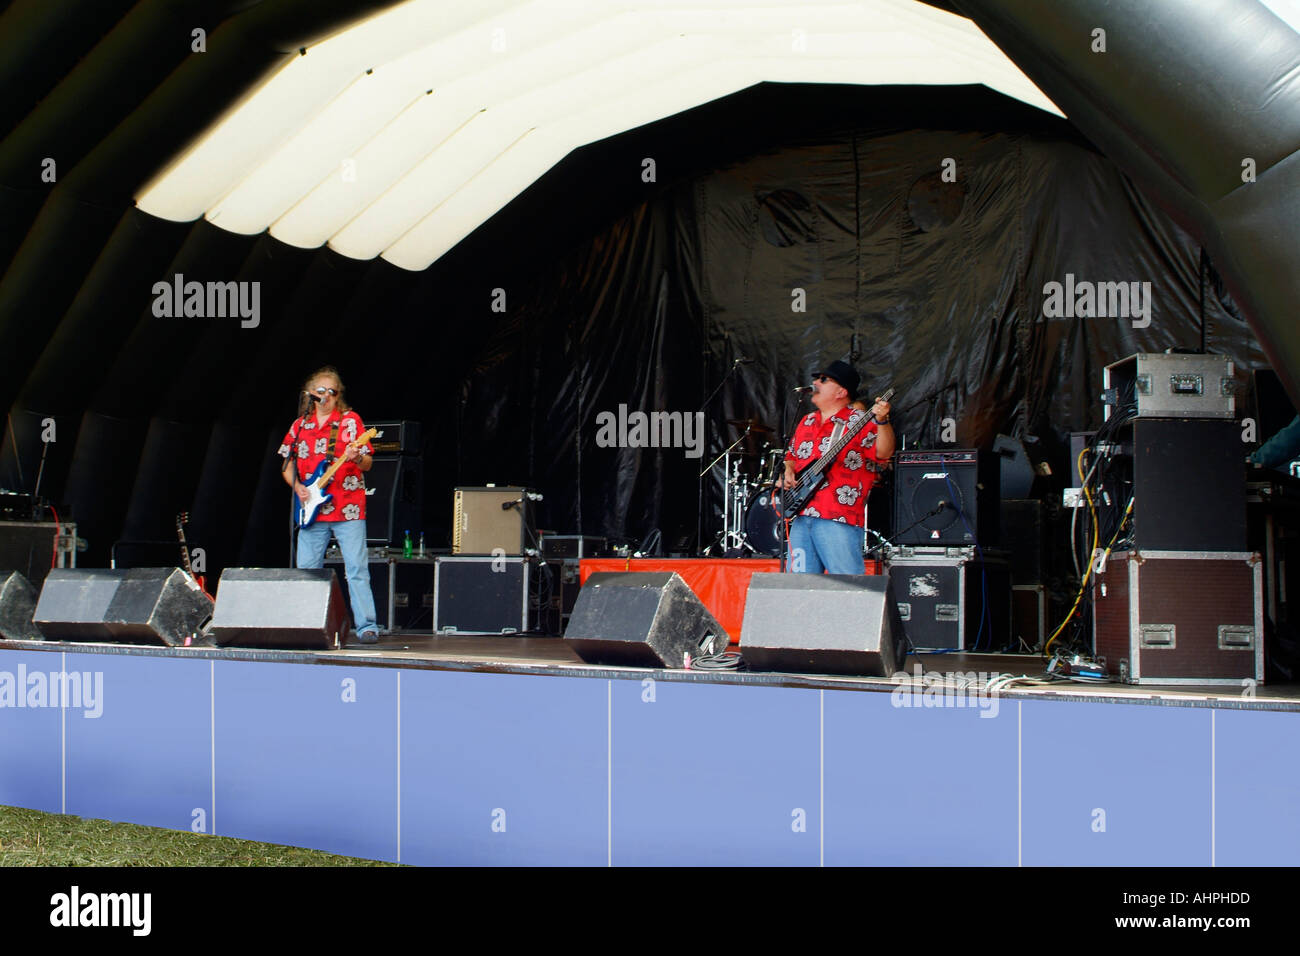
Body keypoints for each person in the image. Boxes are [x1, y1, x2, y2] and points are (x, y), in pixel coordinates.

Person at [278, 367, 380, 644]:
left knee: (356, 568)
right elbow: (286, 467)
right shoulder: (299, 426)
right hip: (313, 509)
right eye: (320, 391)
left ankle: (367, 625)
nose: (326, 396)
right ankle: (307, 622)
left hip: (348, 507)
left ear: (338, 396)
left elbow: (368, 462)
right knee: (308, 569)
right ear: (311, 393)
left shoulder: (350, 422)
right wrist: (297, 486)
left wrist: (356, 457)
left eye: (331, 392)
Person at [778, 360, 894, 574]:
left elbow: (883, 453)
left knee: (847, 584)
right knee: (798, 588)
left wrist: (882, 420)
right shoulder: (807, 421)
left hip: (838, 516)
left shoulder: (859, 421)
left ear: (841, 391)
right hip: (802, 516)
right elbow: (791, 455)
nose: (815, 382)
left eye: (823, 379)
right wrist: (788, 470)